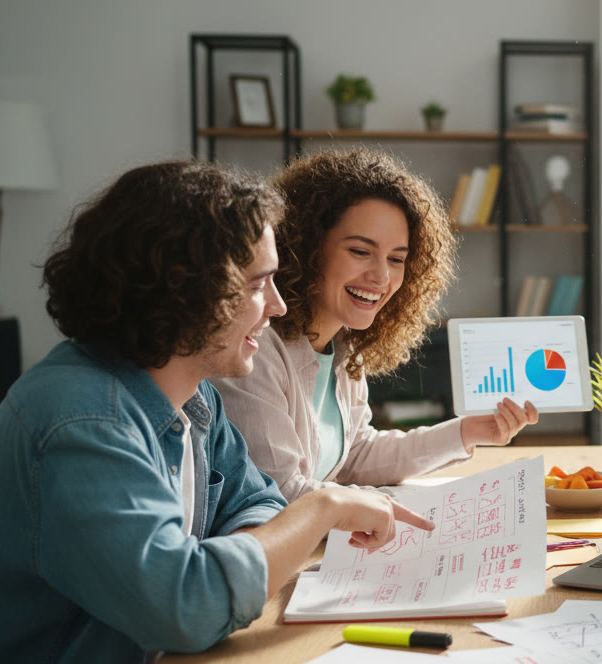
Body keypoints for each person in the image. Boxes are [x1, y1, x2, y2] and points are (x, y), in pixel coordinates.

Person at [0, 161, 434, 664]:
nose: (278, 307)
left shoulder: (192, 396)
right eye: (258, 285)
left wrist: (235, 554)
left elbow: (257, 505)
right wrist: (322, 508)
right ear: (183, 286)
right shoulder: (82, 424)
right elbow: (187, 604)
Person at [214, 149, 537, 502]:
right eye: (360, 251)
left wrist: (468, 432)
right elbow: (283, 494)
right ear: (305, 247)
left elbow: (355, 454)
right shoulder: (256, 349)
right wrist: (391, 511)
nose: (382, 277)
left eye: (397, 259)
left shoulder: (343, 344)